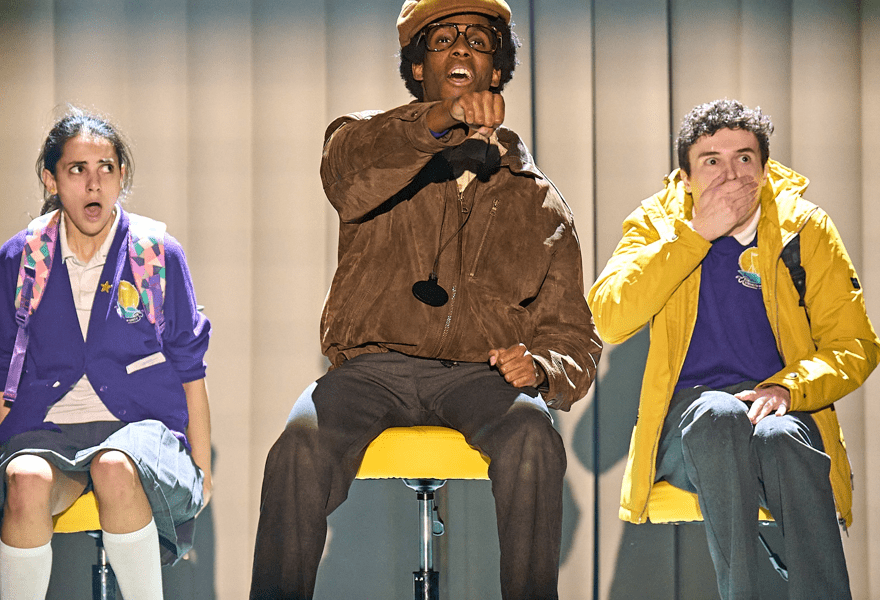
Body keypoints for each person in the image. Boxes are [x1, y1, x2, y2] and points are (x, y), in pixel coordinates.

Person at [249, 1, 601, 598]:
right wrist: (441, 120)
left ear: (497, 69)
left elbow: (573, 335)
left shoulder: (539, 201)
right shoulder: (367, 141)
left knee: (533, 437)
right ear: (417, 68)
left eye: (479, 40)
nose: (461, 47)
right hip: (371, 370)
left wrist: (540, 366)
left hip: (477, 375)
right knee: (299, 446)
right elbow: (347, 173)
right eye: (442, 38)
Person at [588, 98, 879, 600]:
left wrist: (790, 387)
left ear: (765, 170)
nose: (730, 172)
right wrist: (697, 233)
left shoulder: (804, 228)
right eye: (711, 160)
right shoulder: (656, 225)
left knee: (784, 438)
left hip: (777, 406)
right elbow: (609, 317)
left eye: (745, 157)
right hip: (690, 419)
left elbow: (854, 344)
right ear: (685, 177)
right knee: (718, 414)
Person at [0, 107, 212, 600]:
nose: (94, 184)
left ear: (121, 178)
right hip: (47, 430)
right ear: (52, 180)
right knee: (25, 479)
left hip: (138, 432)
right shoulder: (20, 258)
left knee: (114, 465)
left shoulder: (156, 252)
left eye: (107, 169)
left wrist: (203, 472)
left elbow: (190, 368)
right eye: (77, 170)